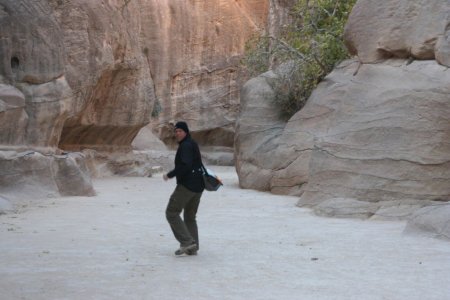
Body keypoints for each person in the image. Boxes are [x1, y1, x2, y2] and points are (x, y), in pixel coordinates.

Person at [163, 121, 204, 256]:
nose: (177, 133)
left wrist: (170, 174)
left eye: (180, 131)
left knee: (171, 212)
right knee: (190, 216)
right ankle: (193, 247)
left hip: (188, 185)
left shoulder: (185, 146)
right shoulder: (192, 143)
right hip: (199, 186)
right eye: (176, 131)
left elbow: (185, 166)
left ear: (186, 132)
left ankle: (186, 242)